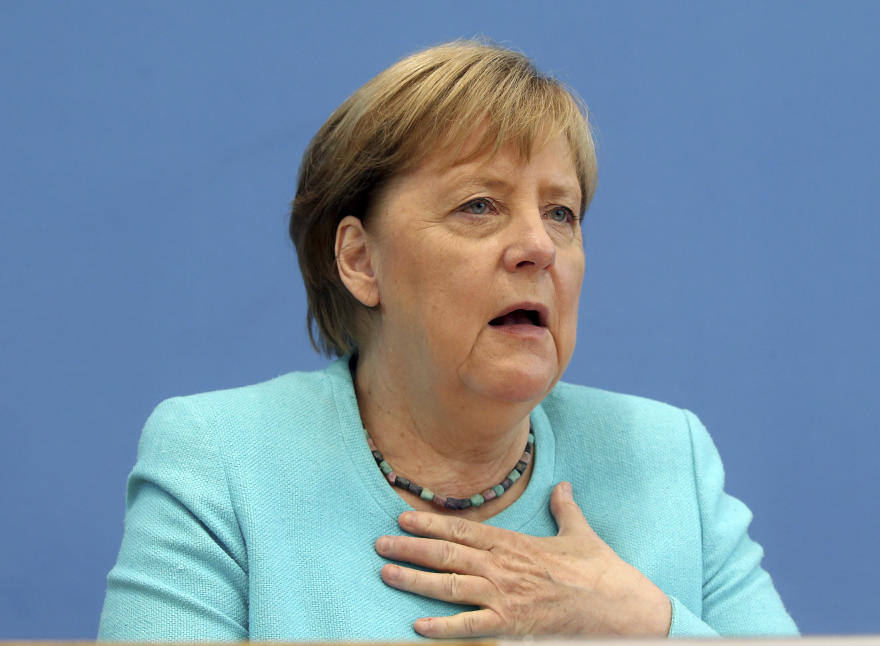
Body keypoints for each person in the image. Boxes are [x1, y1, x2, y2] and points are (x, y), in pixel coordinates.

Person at [98, 41, 798, 640]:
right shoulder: (221, 460)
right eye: (479, 205)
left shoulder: (665, 456)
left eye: (561, 213)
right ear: (361, 260)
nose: (537, 247)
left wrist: (641, 622)